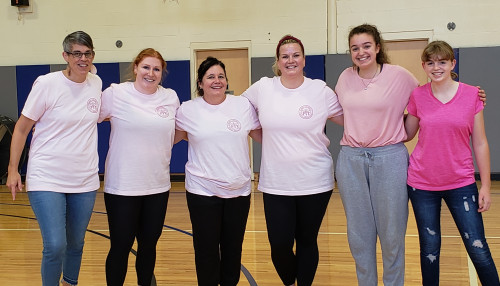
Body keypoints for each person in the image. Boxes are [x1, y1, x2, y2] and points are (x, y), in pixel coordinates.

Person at [242, 35, 344, 286]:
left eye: (295, 55)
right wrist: (266, 138)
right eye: (285, 56)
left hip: (315, 180)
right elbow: (237, 111)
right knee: (279, 245)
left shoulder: (319, 90)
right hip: (276, 182)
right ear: (277, 61)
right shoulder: (263, 88)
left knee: (307, 240)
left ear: (304, 59)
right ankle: (290, 280)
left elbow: (350, 119)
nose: (291, 60)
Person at [6, 31, 102, 286]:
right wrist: (13, 169)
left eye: (88, 53)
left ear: (93, 55)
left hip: (85, 179)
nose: (83, 59)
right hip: (46, 177)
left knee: (76, 243)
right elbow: (22, 128)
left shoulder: (96, 83)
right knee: (56, 245)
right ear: (65, 56)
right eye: (77, 53)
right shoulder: (47, 84)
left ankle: (70, 282)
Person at [405, 40, 499, 286]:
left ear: (452, 63)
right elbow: (407, 133)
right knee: (430, 250)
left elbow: (480, 143)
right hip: (422, 184)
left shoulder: (471, 95)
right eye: (431, 63)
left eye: (442, 62)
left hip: (461, 183)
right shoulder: (417, 96)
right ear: (424, 66)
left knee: (478, 248)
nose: (437, 67)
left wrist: (486, 186)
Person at [334, 24, 419, 286]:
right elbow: (339, 112)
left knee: (392, 234)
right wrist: (358, 128)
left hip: (389, 158)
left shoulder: (400, 76)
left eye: (367, 46)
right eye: (355, 48)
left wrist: (404, 132)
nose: (361, 52)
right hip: (351, 160)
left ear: (378, 47)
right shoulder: (345, 77)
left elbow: (425, 101)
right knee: (359, 235)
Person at [175, 56, 261, 285]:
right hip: (202, 192)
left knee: (233, 251)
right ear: (200, 83)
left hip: (238, 192)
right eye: (210, 77)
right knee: (206, 252)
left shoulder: (242, 105)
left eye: (221, 76)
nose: (217, 81)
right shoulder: (188, 110)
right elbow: (166, 138)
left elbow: (262, 135)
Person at [99, 48, 180, 286]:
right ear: (135, 68)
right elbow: (88, 117)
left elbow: (176, 132)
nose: (150, 73)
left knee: (148, 245)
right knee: (121, 246)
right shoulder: (115, 93)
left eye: (156, 69)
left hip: (157, 186)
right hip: (122, 187)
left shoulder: (170, 97)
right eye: (146, 67)